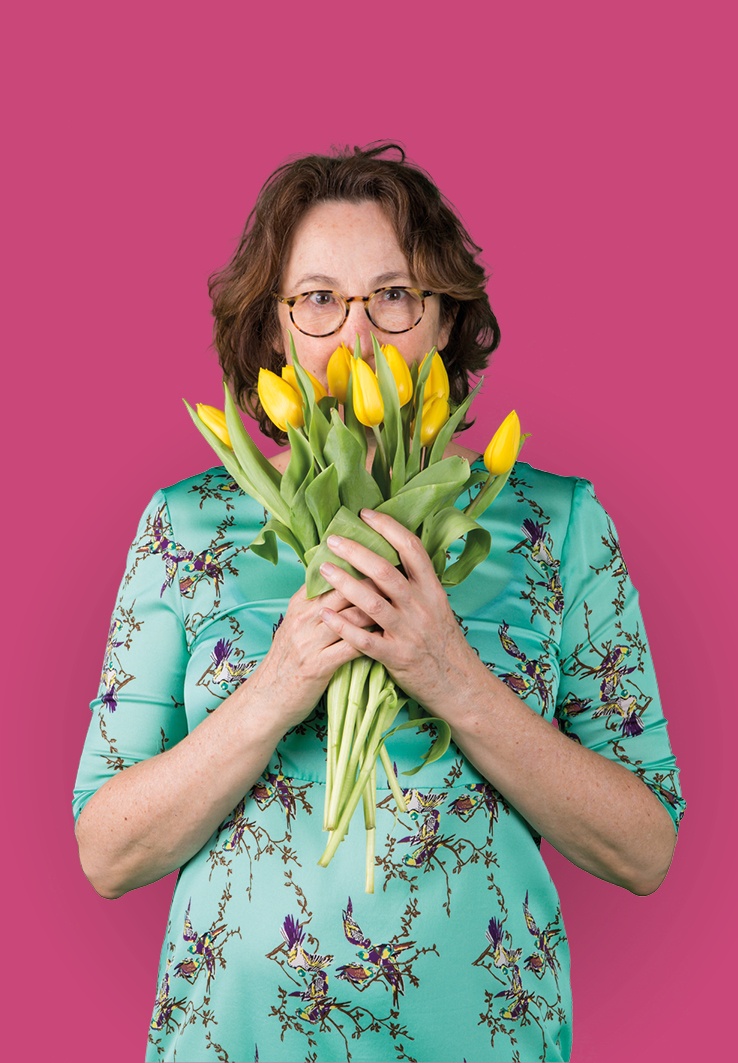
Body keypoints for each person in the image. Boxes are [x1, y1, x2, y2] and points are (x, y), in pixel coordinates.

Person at [73, 143, 685, 1063]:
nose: (358, 338)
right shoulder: (186, 527)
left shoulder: (555, 524)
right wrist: (276, 686)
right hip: (235, 1042)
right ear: (272, 329)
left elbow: (645, 848)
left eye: (393, 295)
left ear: (444, 320)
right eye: (319, 299)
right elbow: (107, 853)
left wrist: (451, 676)